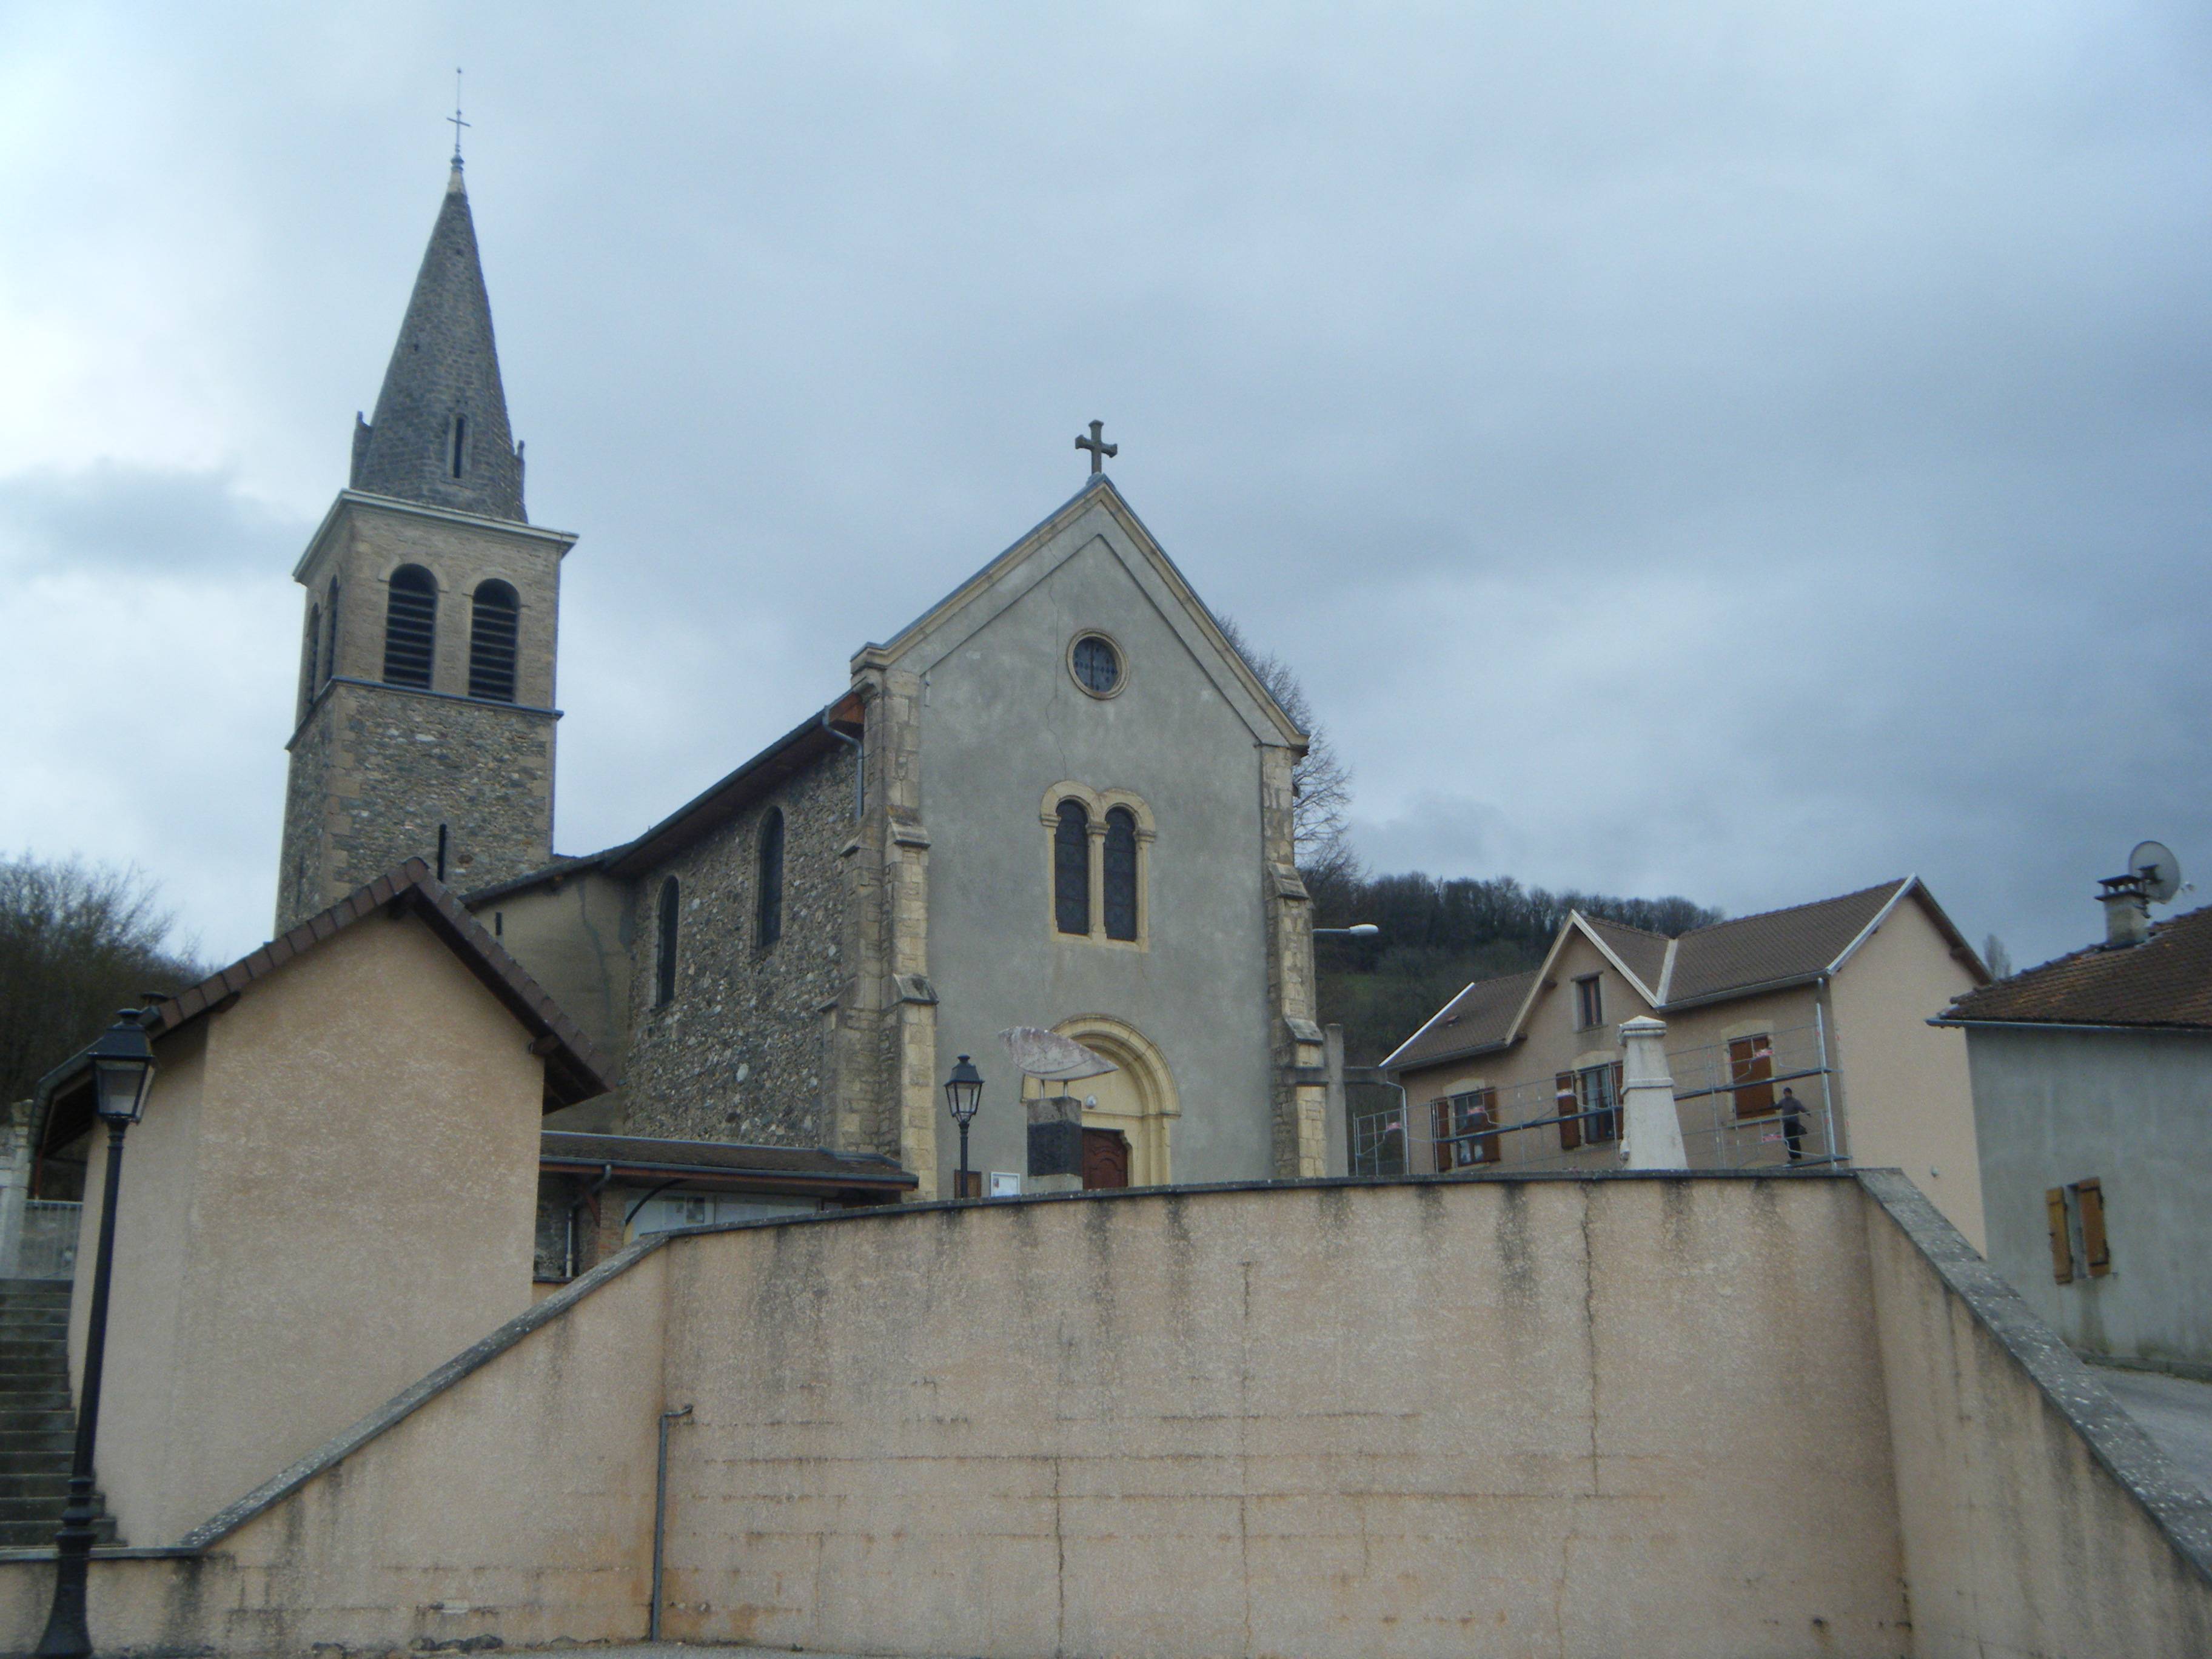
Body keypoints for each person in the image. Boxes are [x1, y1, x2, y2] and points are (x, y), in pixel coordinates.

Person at [1777, 1086, 1806, 1163]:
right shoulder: (1783, 1101)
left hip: (1794, 1124)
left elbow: (1801, 1108)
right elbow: (1778, 1106)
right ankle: (1792, 1157)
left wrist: (1807, 1112)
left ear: (1790, 1093)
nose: (1786, 1095)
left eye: (1787, 1093)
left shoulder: (1795, 1102)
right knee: (1788, 1141)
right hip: (1786, 1123)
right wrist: (1773, 1105)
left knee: (1795, 1141)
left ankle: (1798, 1157)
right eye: (1785, 1093)